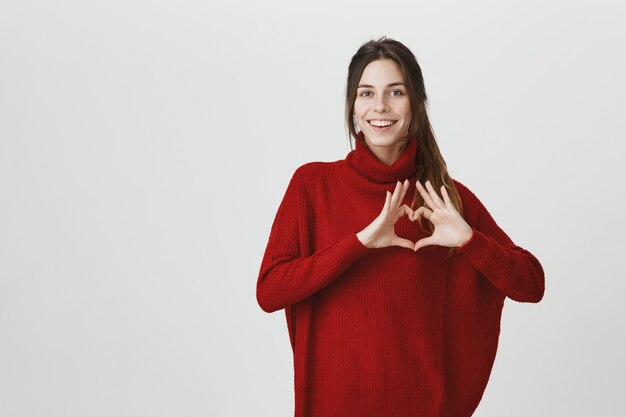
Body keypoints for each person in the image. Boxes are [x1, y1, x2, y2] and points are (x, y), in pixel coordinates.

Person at [256, 36, 545, 417]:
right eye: (366, 93)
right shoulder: (312, 186)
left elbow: (531, 284)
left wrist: (470, 241)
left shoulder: (445, 201)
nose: (380, 106)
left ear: (416, 105)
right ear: (352, 107)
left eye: (395, 92)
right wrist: (359, 243)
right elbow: (270, 291)